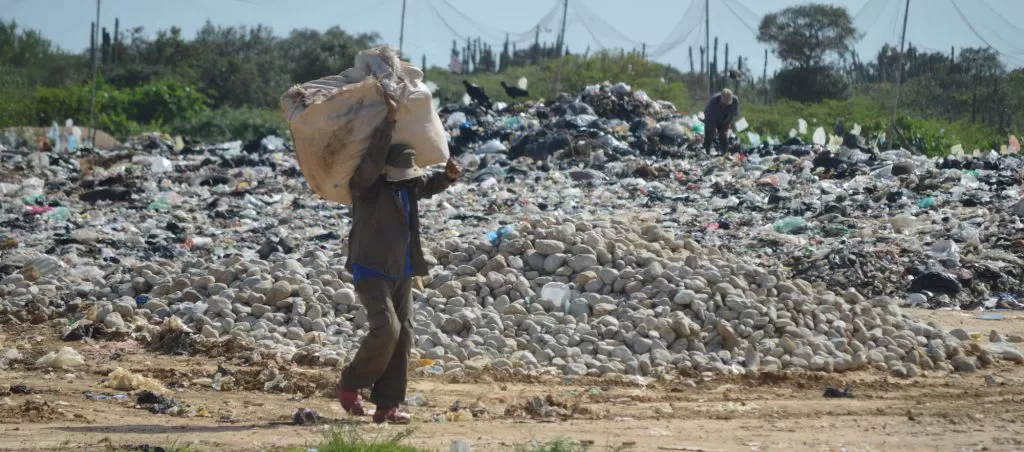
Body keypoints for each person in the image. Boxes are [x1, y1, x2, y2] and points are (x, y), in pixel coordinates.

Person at [336, 95, 461, 424]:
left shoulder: (409, 184)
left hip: (402, 269)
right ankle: (349, 385)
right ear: (384, 171)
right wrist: (389, 120)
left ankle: (387, 405)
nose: (408, 179)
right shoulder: (366, 189)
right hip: (370, 268)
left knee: (403, 335)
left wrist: (447, 178)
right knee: (386, 329)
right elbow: (372, 161)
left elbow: (427, 185)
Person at [702, 88, 740, 153]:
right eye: (724, 101)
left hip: (724, 119)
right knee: (709, 135)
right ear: (721, 97)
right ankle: (707, 152)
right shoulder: (714, 101)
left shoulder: (735, 101)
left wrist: (729, 127)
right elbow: (711, 118)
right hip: (710, 118)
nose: (726, 104)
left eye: (727, 102)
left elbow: (733, 115)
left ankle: (724, 153)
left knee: (724, 136)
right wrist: (714, 129)